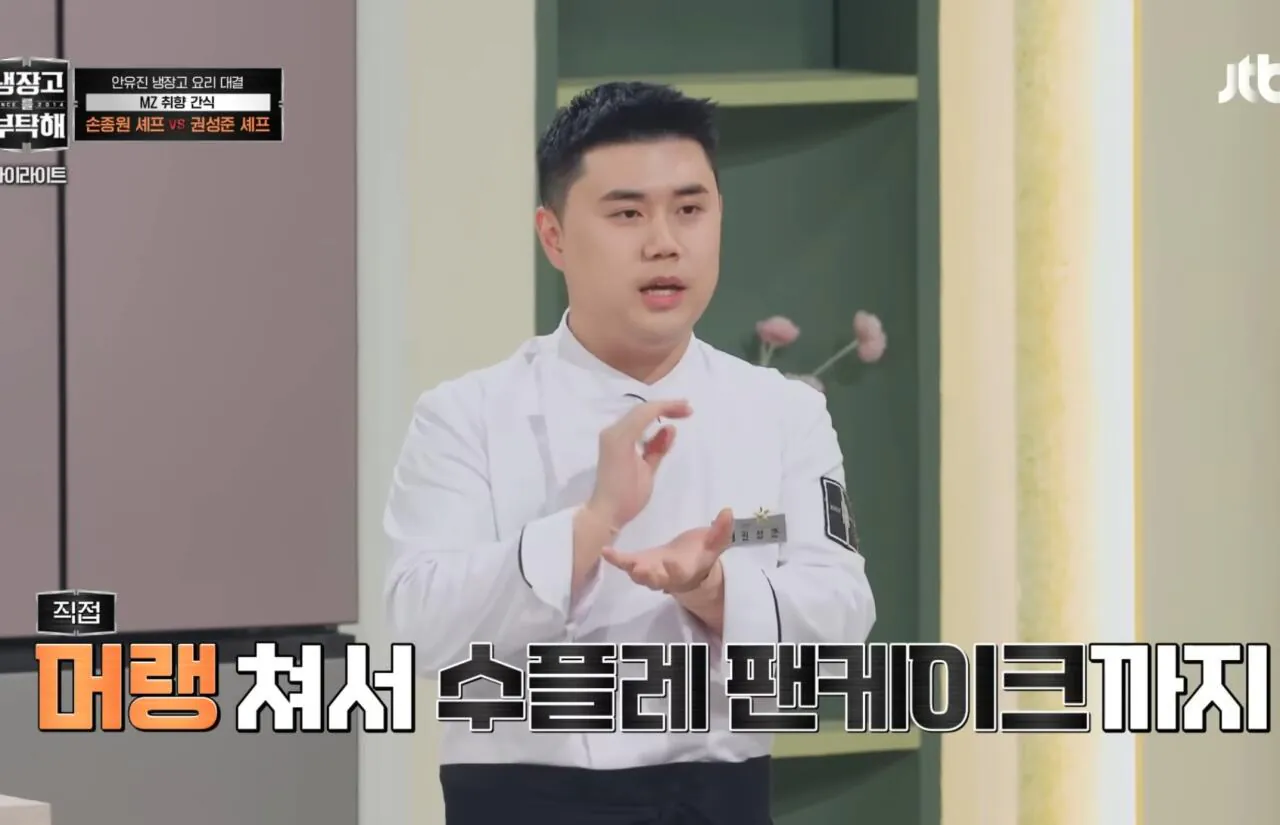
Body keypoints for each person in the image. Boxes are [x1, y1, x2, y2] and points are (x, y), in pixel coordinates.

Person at [384, 81, 876, 825]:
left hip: (718, 801)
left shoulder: (785, 412)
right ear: (553, 236)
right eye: (627, 214)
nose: (664, 243)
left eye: (690, 209)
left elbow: (841, 621)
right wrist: (591, 525)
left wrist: (712, 587)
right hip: (518, 803)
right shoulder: (465, 415)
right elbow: (419, 630)